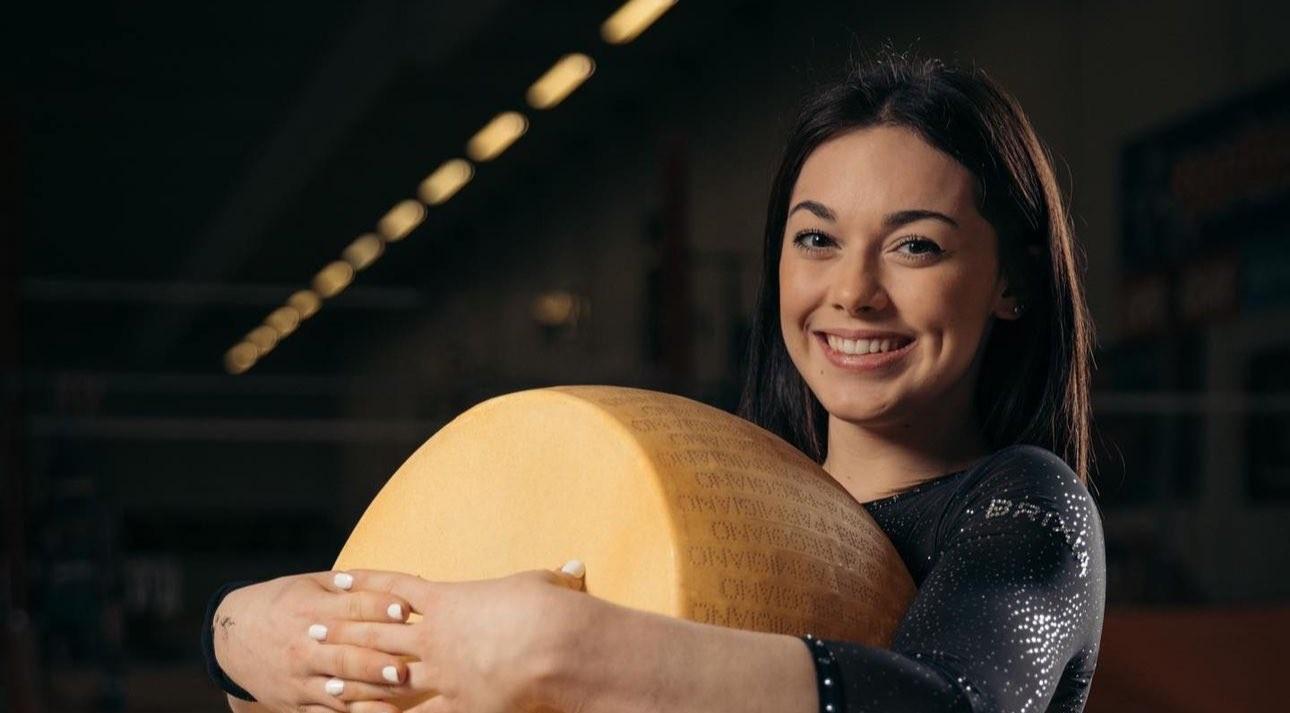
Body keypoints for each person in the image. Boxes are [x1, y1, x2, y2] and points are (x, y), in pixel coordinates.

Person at [203, 50, 1105, 713]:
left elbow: (951, 703)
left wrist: (568, 651)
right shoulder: (707, 491)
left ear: (1012, 284)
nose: (853, 292)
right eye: (816, 239)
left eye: (915, 245)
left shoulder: (1025, 505)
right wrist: (246, 634)